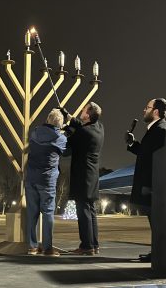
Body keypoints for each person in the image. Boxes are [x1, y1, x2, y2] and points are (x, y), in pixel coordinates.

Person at [125, 98, 166, 262]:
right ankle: (158, 252)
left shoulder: (161, 131)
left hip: (154, 187)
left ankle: (162, 254)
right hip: (150, 186)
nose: (144, 110)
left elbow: (160, 161)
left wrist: (151, 186)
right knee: (155, 223)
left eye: (147, 107)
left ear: (156, 111)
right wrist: (133, 144)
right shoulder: (155, 130)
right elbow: (146, 153)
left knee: (159, 224)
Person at [64, 102, 104, 256]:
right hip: (92, 176)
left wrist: (67, 130)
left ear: (88, 114)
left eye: (84, 109)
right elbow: (82, 126)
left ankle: (86, 246)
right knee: (91, 211)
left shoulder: (83, 133)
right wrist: (70, 118)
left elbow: (67, 148)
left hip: (82, 176)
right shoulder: (99, 127)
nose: (81, 110)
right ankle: (94, 244)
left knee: (83, 212)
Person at [25, 108, 67, 257]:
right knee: (48, 213)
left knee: (32, 213)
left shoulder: (35, 132)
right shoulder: (61, 139)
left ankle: (32, 246)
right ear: (59, 125)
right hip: (47, 181)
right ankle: (48, 247)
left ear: (48, 119)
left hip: (30, 179)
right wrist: (66, 129)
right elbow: (66, 150)